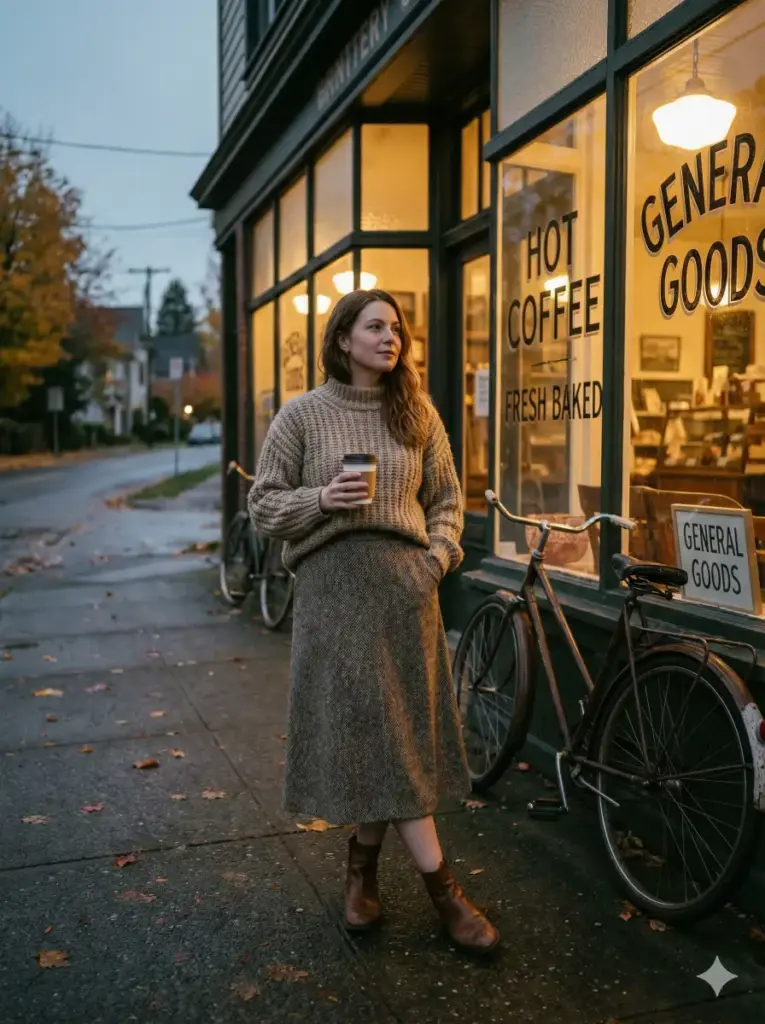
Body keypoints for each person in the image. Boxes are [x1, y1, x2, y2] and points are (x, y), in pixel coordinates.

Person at [248, 288, 499, 954]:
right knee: (376, 734)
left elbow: (448, 499)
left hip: (406, 593)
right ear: (341, 340)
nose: (391, 337)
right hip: (334, 597)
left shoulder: (415, 414)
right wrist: (322, 499)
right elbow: (264, 506)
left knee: (394, 736)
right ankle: (442, 891)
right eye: (375, 326)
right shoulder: (301, 417)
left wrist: (437, 560)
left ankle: (361, 871)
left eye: (397, 328)